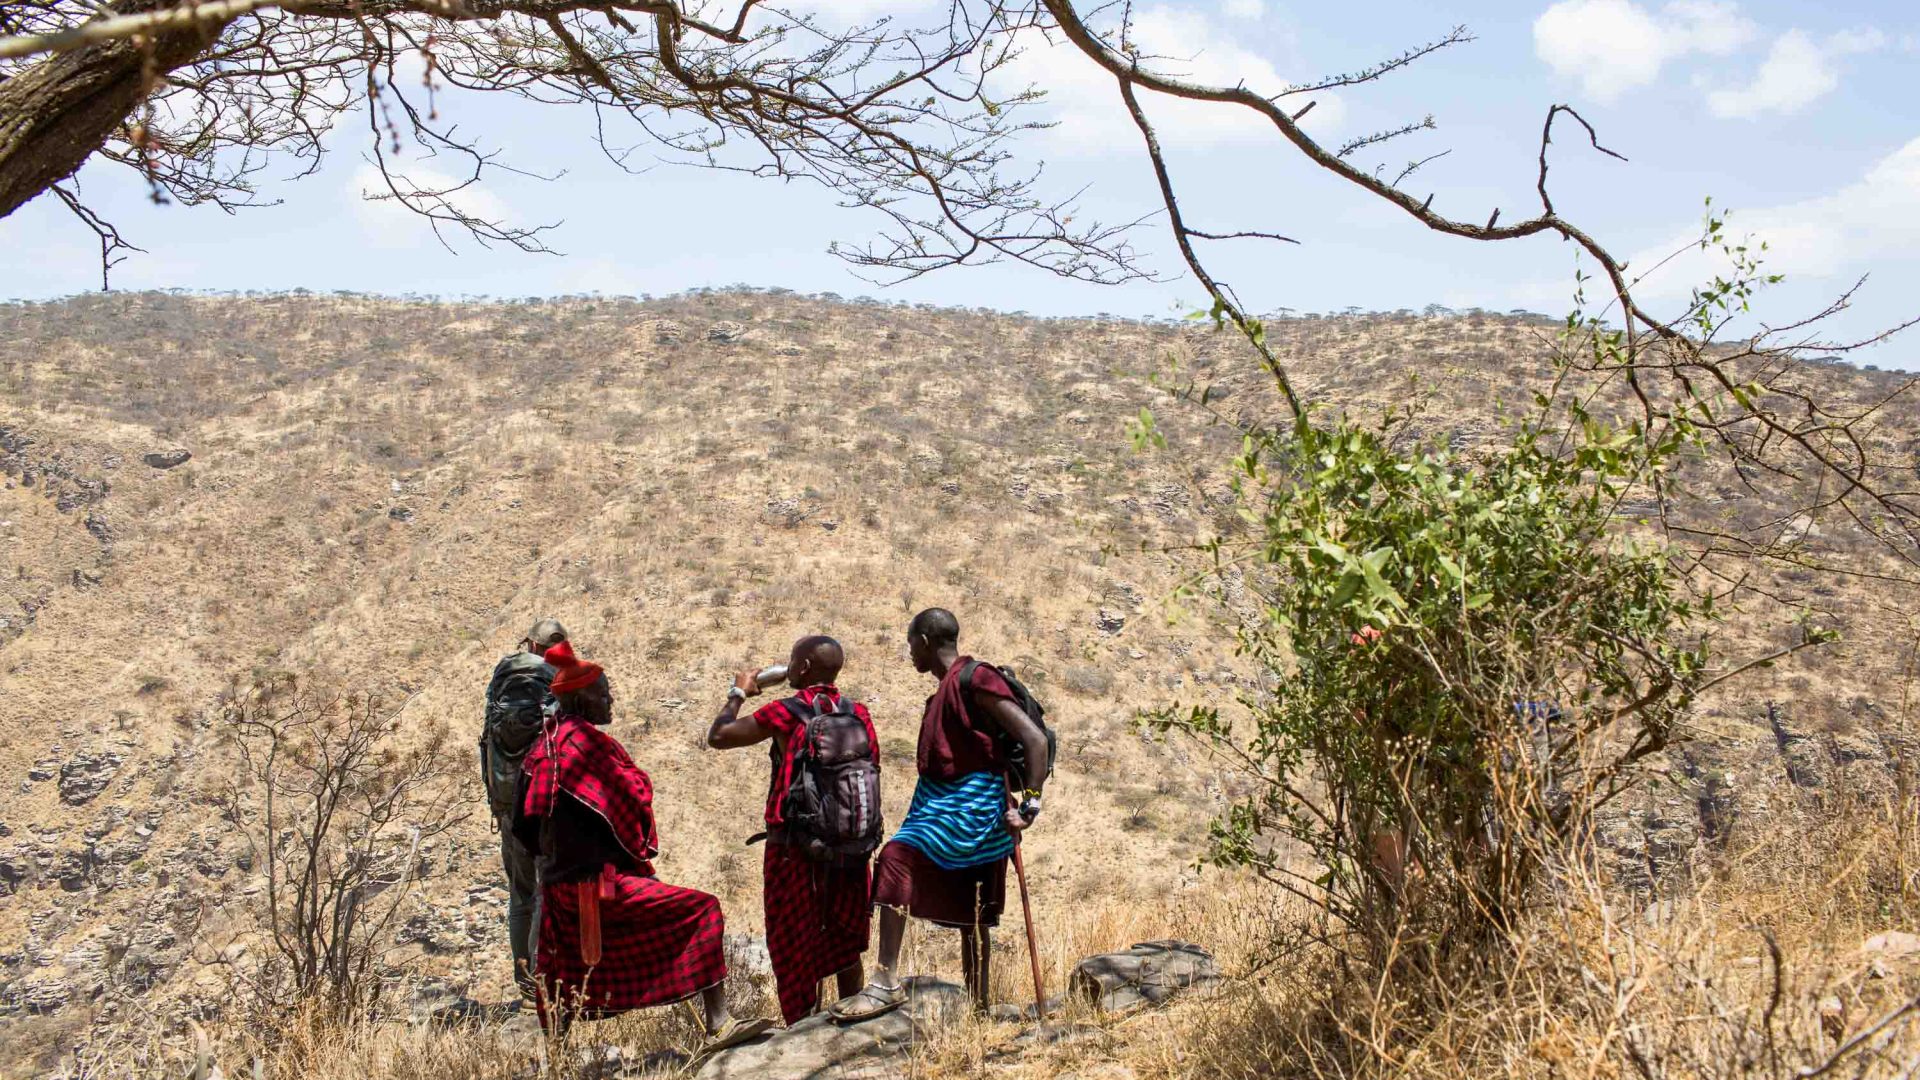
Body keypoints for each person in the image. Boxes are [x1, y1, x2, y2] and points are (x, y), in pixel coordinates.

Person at [514, 640, 772, 1051]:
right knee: (703, 909)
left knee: (561, 968)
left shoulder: (544, 744)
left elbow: (523, 825)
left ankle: (557, 1058)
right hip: (599, 885)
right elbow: (631, 796)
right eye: (604, 693)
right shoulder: (588, 747)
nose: (610, 700)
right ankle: (719, 1023)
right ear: (582, 699)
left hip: (559, 885)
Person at [829, 608, 1049, 1021]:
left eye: (912, 644)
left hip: (974, 808)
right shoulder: (952, 688)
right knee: (972, 906)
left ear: (926, 642)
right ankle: (977, 1004)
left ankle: (885, 983)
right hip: (941, 802)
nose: (910, 653)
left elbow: (1034, 738)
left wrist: (1031, 805)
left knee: (899, 860)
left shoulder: (976, 679)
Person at [705, 635, 880, 1025]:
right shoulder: (860, 714)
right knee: (844, 939)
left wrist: (738, 692)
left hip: (794, 850)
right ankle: (857, 1021)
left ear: (801, 669)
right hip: (850, 849)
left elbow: (719, 736)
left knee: (795, 940)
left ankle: (803, 1028)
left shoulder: (787, 711)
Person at [481, 618, 566, 998]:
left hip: (505, 800)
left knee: (520, 894)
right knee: (546, 889)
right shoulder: (554, 678)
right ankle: (543, 985)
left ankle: (526, 986)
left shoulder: (501, 675)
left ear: (529, 643)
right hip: (541, 800)